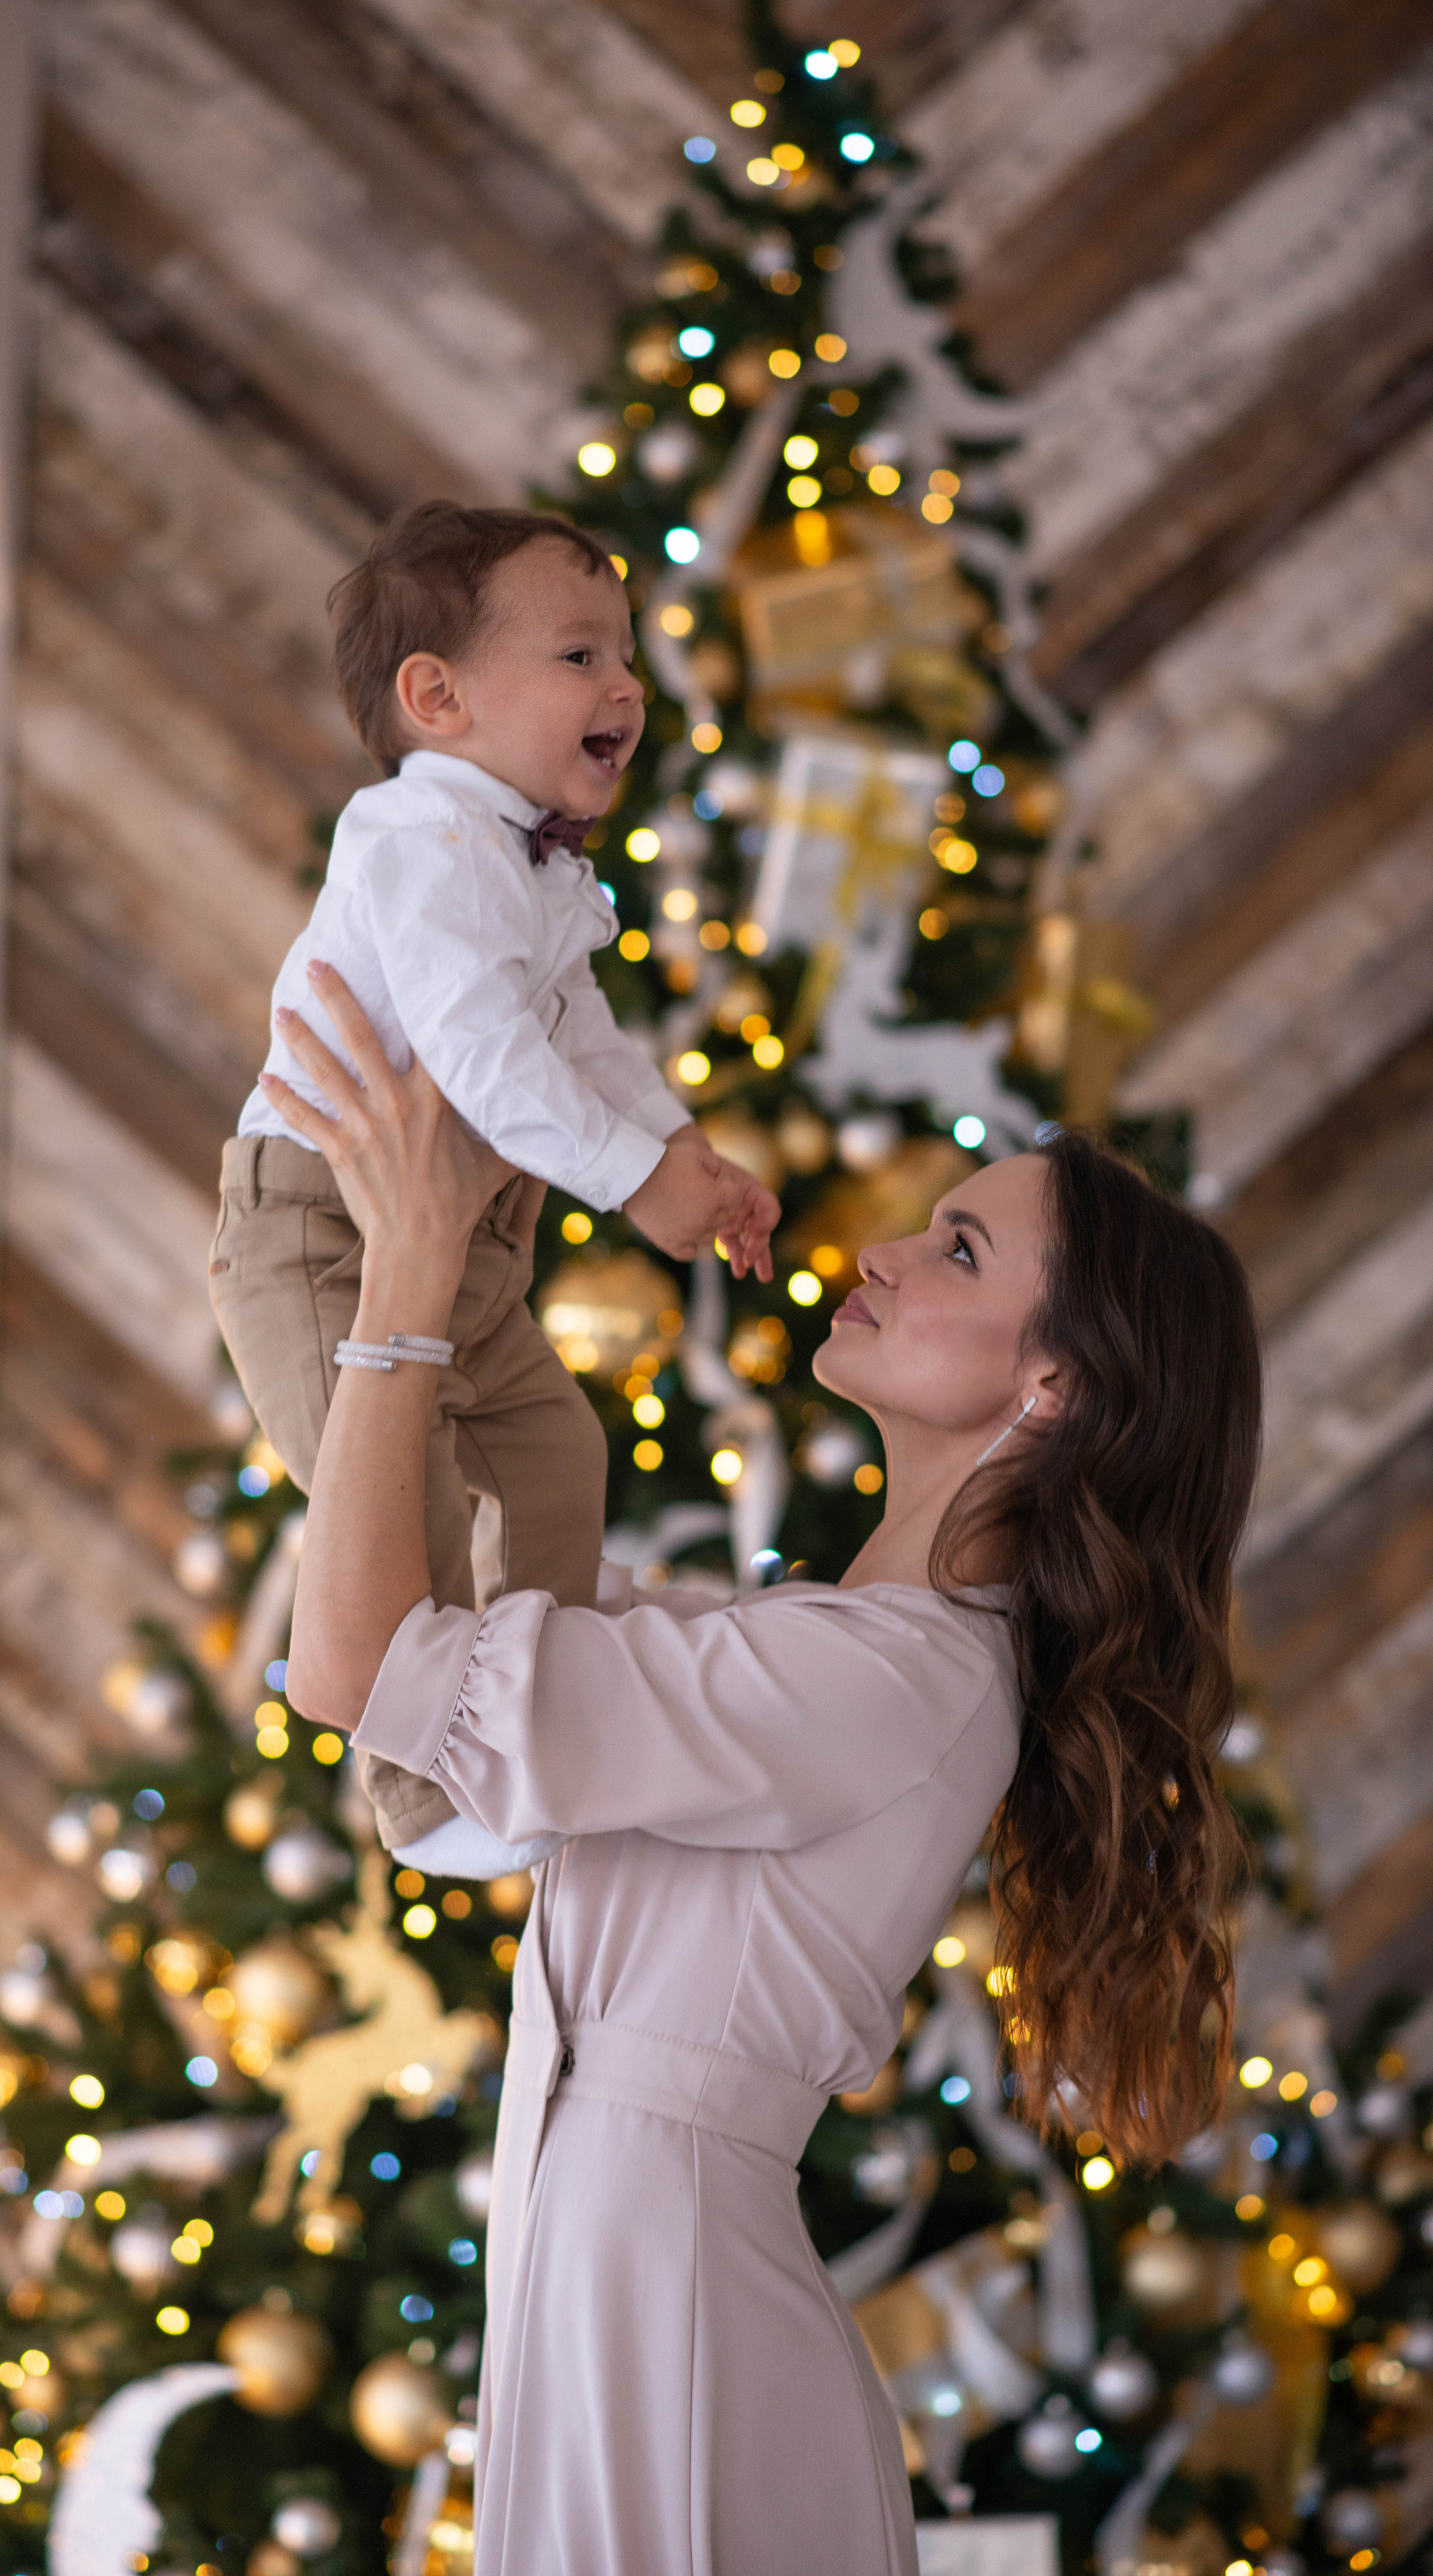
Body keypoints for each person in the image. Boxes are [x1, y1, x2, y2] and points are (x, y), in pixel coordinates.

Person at [274, 967, 1262, 2575]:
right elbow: (446, 1661)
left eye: (954, 1249)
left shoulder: (886, 1677)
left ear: (1052, 1388)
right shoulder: (845, 1645)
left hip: (664, 2307)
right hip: (623, 2267)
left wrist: (408, 1256)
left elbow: (359, 1665)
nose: (875, 1251)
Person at [209, 501, 777, 1863]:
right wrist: (632, 1179)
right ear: (436, 697)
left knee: (554, 1453)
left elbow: (580, 1037)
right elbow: (477, 1054)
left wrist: (677, 1151)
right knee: (404, 1504)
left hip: (468, 1239)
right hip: (319, 1238)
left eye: (626, 659)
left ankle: (535, 1722)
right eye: (580, 656)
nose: (624, 688)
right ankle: (425, 1797)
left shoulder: (531, 870)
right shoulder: (417, 841)